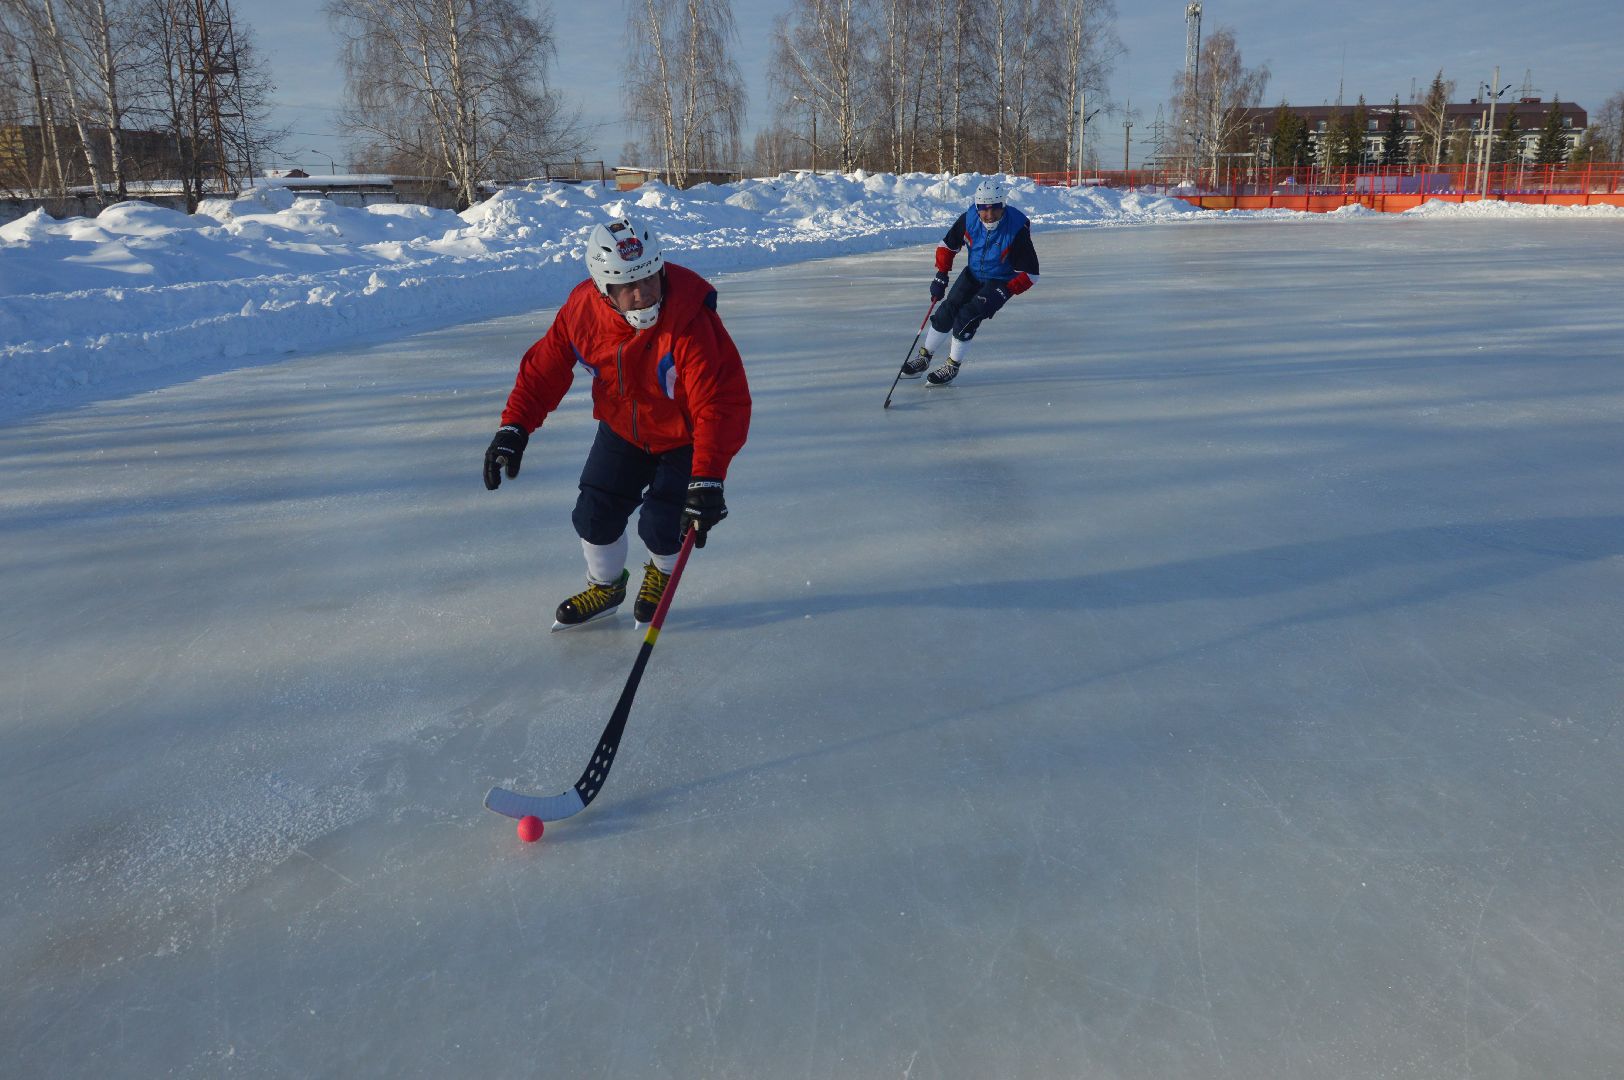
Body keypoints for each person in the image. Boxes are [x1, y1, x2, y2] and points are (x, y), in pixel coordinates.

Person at [483, 214, 751, 630]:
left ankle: (661, 573)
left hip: (684, 438)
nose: (642, 294)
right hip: (622, 430)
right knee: (593, 514)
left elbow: (717, 403)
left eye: (650, 278)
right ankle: (606, 588)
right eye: (627, 285)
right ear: (602, 288)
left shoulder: (689, 321)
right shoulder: (582, 313)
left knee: (662, 524)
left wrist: (708, 478)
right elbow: (544, 369)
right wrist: (514, 427)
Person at [899, 178, 1040, 386]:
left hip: (1000, 280)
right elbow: (947, 245)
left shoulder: (1016, 228)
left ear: (1003, 205)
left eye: (995, 208)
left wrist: (1007, 291)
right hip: (973, 274)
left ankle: (952, 365)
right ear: (977, 207)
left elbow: (1031, 273)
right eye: (983, 208)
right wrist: (941, 274)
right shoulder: (969, 219)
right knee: (947, 310)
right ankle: (924, 356)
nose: (989, 214)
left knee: (967, 317)